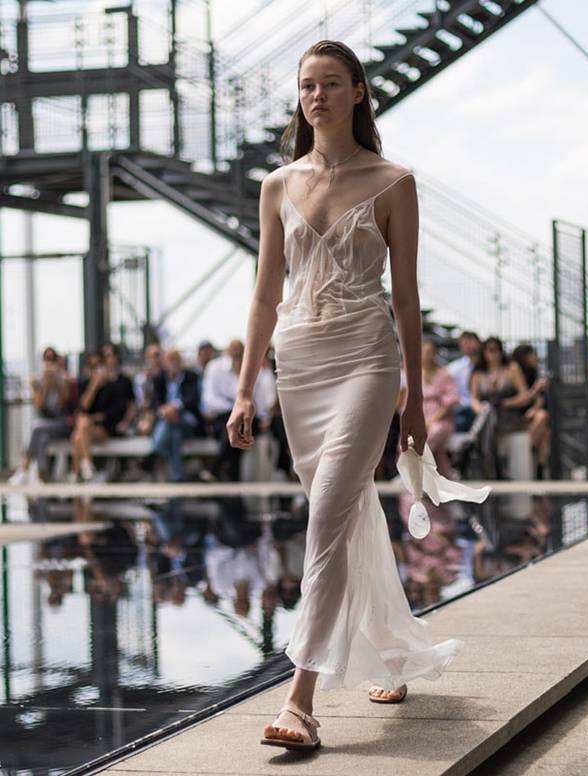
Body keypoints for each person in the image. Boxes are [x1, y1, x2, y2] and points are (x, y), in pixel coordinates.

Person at [224, 40, 484, 751]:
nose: (317, 96)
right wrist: (245, 390)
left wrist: (415, 400)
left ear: (360, 93)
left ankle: (301, 701)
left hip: (367, 359)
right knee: (341, 517)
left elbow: (407, 301)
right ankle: (392, 654)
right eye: (308, 85)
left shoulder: (394, 181)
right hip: (299, 367)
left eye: (331, 83)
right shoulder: (277, 185)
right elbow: (264, 296)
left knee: (327, 517)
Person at [201, 338, 271, 481]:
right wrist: (235, 407)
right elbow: (209, 399)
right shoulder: (215, 368)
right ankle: (231, 474)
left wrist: (263, 416)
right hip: (223, 417)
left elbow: (259, 397)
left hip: (247, 419)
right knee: (235, 425)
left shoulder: (252, 367)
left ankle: (218, 467)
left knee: (241, 426)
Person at [70, 342, 135, 482]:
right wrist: (93, 386)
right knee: (79, 433)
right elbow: (83, 407)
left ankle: (76, 474)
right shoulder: (85, 384)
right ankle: (85, 466)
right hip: (88, 428)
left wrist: (92, 419)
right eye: (92, 366)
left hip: (105, 428)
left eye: (99, 364)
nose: (96, 369)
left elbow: (112, 414)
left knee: (80, 431)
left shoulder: (114, 386)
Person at [10, 346, 75, 484]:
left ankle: (24, 467)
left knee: (35, 427)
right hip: (46, 425)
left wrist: (57, 384)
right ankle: (42, 477)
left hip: (63, 424)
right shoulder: (39, 381)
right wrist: (45, 386)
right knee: (41, 437)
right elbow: (40, 407)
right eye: (46, 359)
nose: (49, 363)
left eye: (52, 359)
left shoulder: (66, 380)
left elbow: (64, 406)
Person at [396, 337, 460, 477]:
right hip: (418, 418)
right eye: (424, 352)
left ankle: (418, 475)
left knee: (430, 438)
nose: (427, 355)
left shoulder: (444, 374)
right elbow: (404, 403)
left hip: (440, 420)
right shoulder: (411, 374)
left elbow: (450, 402)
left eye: (430, 352)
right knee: (409, 443)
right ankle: (440, 477)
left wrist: (431, 420)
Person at [148, 347, 203, 482]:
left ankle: (155, 451)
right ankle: (178, 477)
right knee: (175, 435)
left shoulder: (191, 376)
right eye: (169, 359)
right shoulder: (159, 379)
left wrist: (174, 407)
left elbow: (192, 399)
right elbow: (155, 402)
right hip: (167, 419)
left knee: (171, 426)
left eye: (175, 359)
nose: (173, 362)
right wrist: (165, 411)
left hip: (186, 417)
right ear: (165, 362)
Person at [511, 343, 551, 478]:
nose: (536, 357)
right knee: (543, 425)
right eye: (532, 354)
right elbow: (524, 398)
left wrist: (534, 409)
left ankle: (539, 467)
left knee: (545, 428)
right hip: (516, 413)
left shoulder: (533, 372)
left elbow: (539, 400)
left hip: (530, 413)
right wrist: (535, 388)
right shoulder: (515, 372)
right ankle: (528, 450)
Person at [446, 330, 481, 432]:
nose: (467, 345)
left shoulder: (485, 366)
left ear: (478, 343)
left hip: (480, 406)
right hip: (462, 408)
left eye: (470, 341)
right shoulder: (454, 368)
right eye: (464, 343)